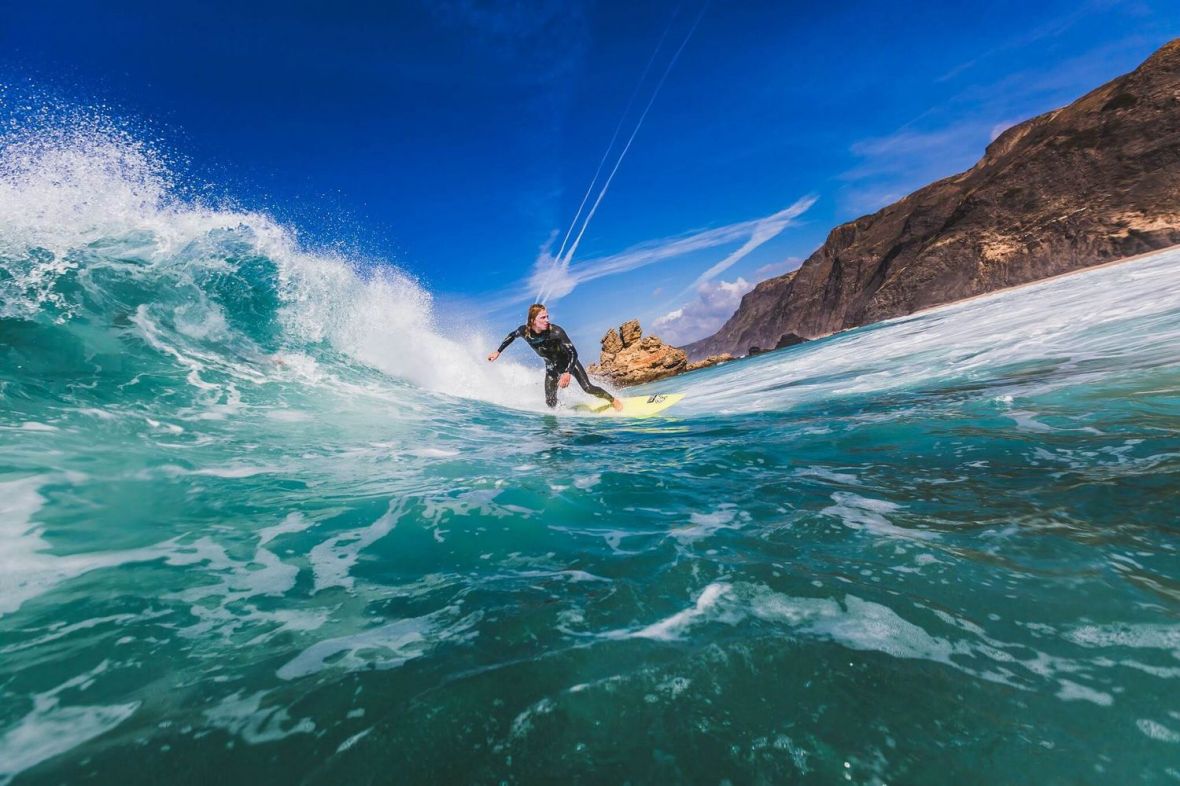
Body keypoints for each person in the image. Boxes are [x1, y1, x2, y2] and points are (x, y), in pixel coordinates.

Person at [488, 304, 624, 411]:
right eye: (543, 318)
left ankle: (613, 400)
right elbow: (512, 336)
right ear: (532, 320)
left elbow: (573, 352)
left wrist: (567, 372)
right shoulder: (524, 331)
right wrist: (498, 351)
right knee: (550, 401)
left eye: (547, 316)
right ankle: (563, 412)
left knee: (588, 388)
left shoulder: (556, 332)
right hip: (551, 367)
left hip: (569, 363)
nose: (547, 320)